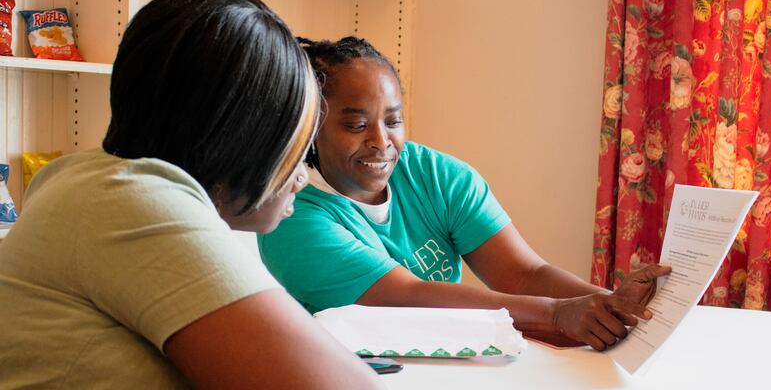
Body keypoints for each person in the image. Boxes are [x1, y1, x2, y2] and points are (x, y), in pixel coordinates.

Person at [0, 0, 382, 389]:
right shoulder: (132, 203)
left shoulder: (88, 181)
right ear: (241, 137)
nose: (301, 176)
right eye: (295, 146)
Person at [258, 36, 671, 352]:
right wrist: (557, 314)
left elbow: (523, 273)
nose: (381, 142)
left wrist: (615, 306)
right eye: (355, 125)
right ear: (310, 127)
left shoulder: (434, 175)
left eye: (394, 120)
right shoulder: (292, 216)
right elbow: (408, 297)